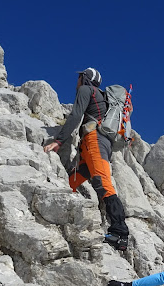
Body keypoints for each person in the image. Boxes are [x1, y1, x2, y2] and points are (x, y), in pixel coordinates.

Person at [44, 67, 129, 251]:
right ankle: (61, 210)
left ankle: (120, 232)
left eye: (79, 77)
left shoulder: (86, 90)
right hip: (101, 145)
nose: (76, 82)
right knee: (73, 180)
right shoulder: (103, 97)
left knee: (103, 182)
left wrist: (59, 141)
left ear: (84, 78)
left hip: (94, 142)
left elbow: (76, 115)